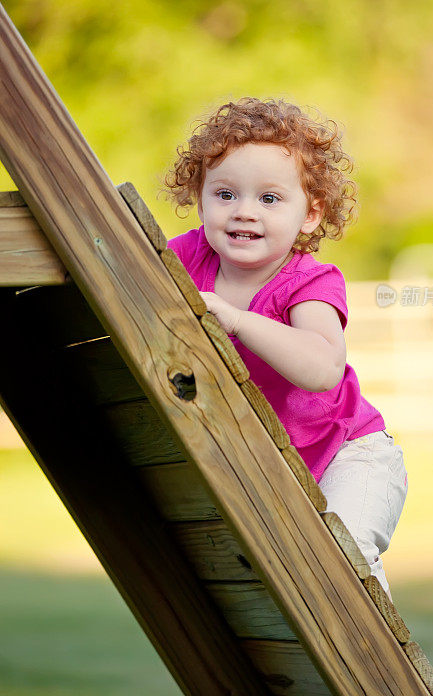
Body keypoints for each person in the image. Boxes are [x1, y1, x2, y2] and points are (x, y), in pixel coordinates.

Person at [163, 97, 408, 598]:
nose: (244, 212)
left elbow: (323, 368)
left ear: (311, 214)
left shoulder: (309, 282)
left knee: (345, 555)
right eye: (225, 194)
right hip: (272, 468)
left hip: (350, 455)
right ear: (200, 197)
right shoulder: (187, 256)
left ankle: (394, 674)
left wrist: (237, 319)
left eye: (270, 199)